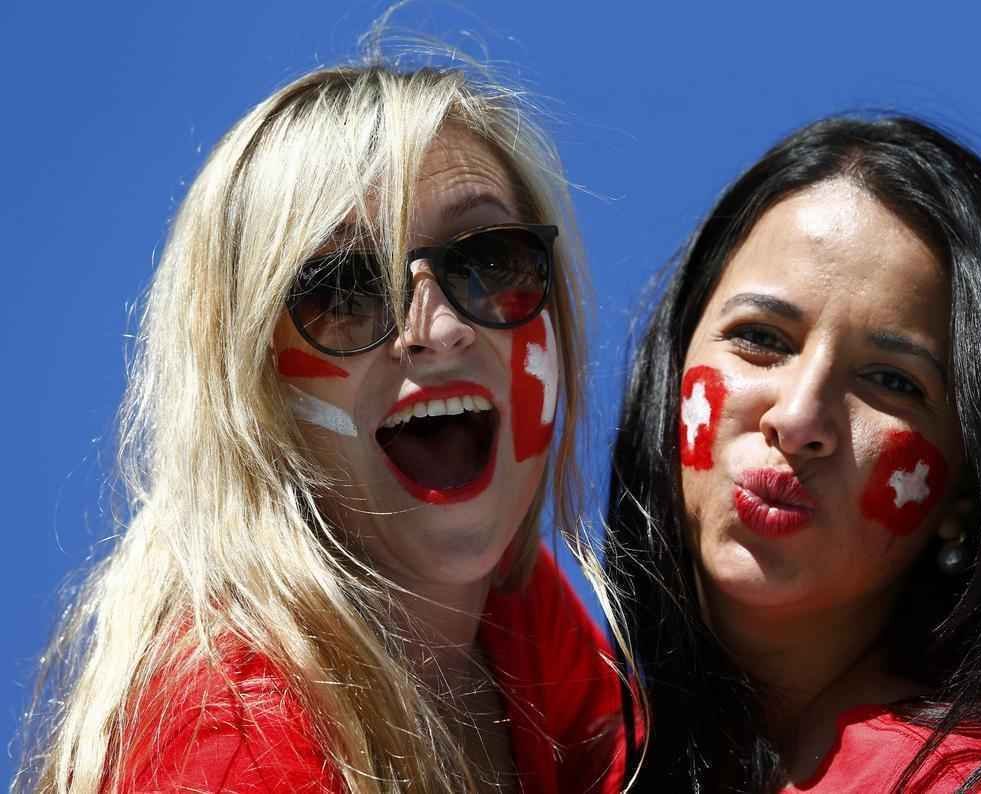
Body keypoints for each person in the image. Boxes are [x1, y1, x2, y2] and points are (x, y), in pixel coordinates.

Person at [15, 58, 619, 794]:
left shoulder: (512, 606)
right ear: (248, 387)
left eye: (487, 260)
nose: (438, 327)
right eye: (344, 290)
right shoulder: (235, 752)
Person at [602, 116, 981, 792]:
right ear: (671, 367)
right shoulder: (557, 746)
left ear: (965, 493)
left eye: (891, 381)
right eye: (761, 337)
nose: (799, 418)